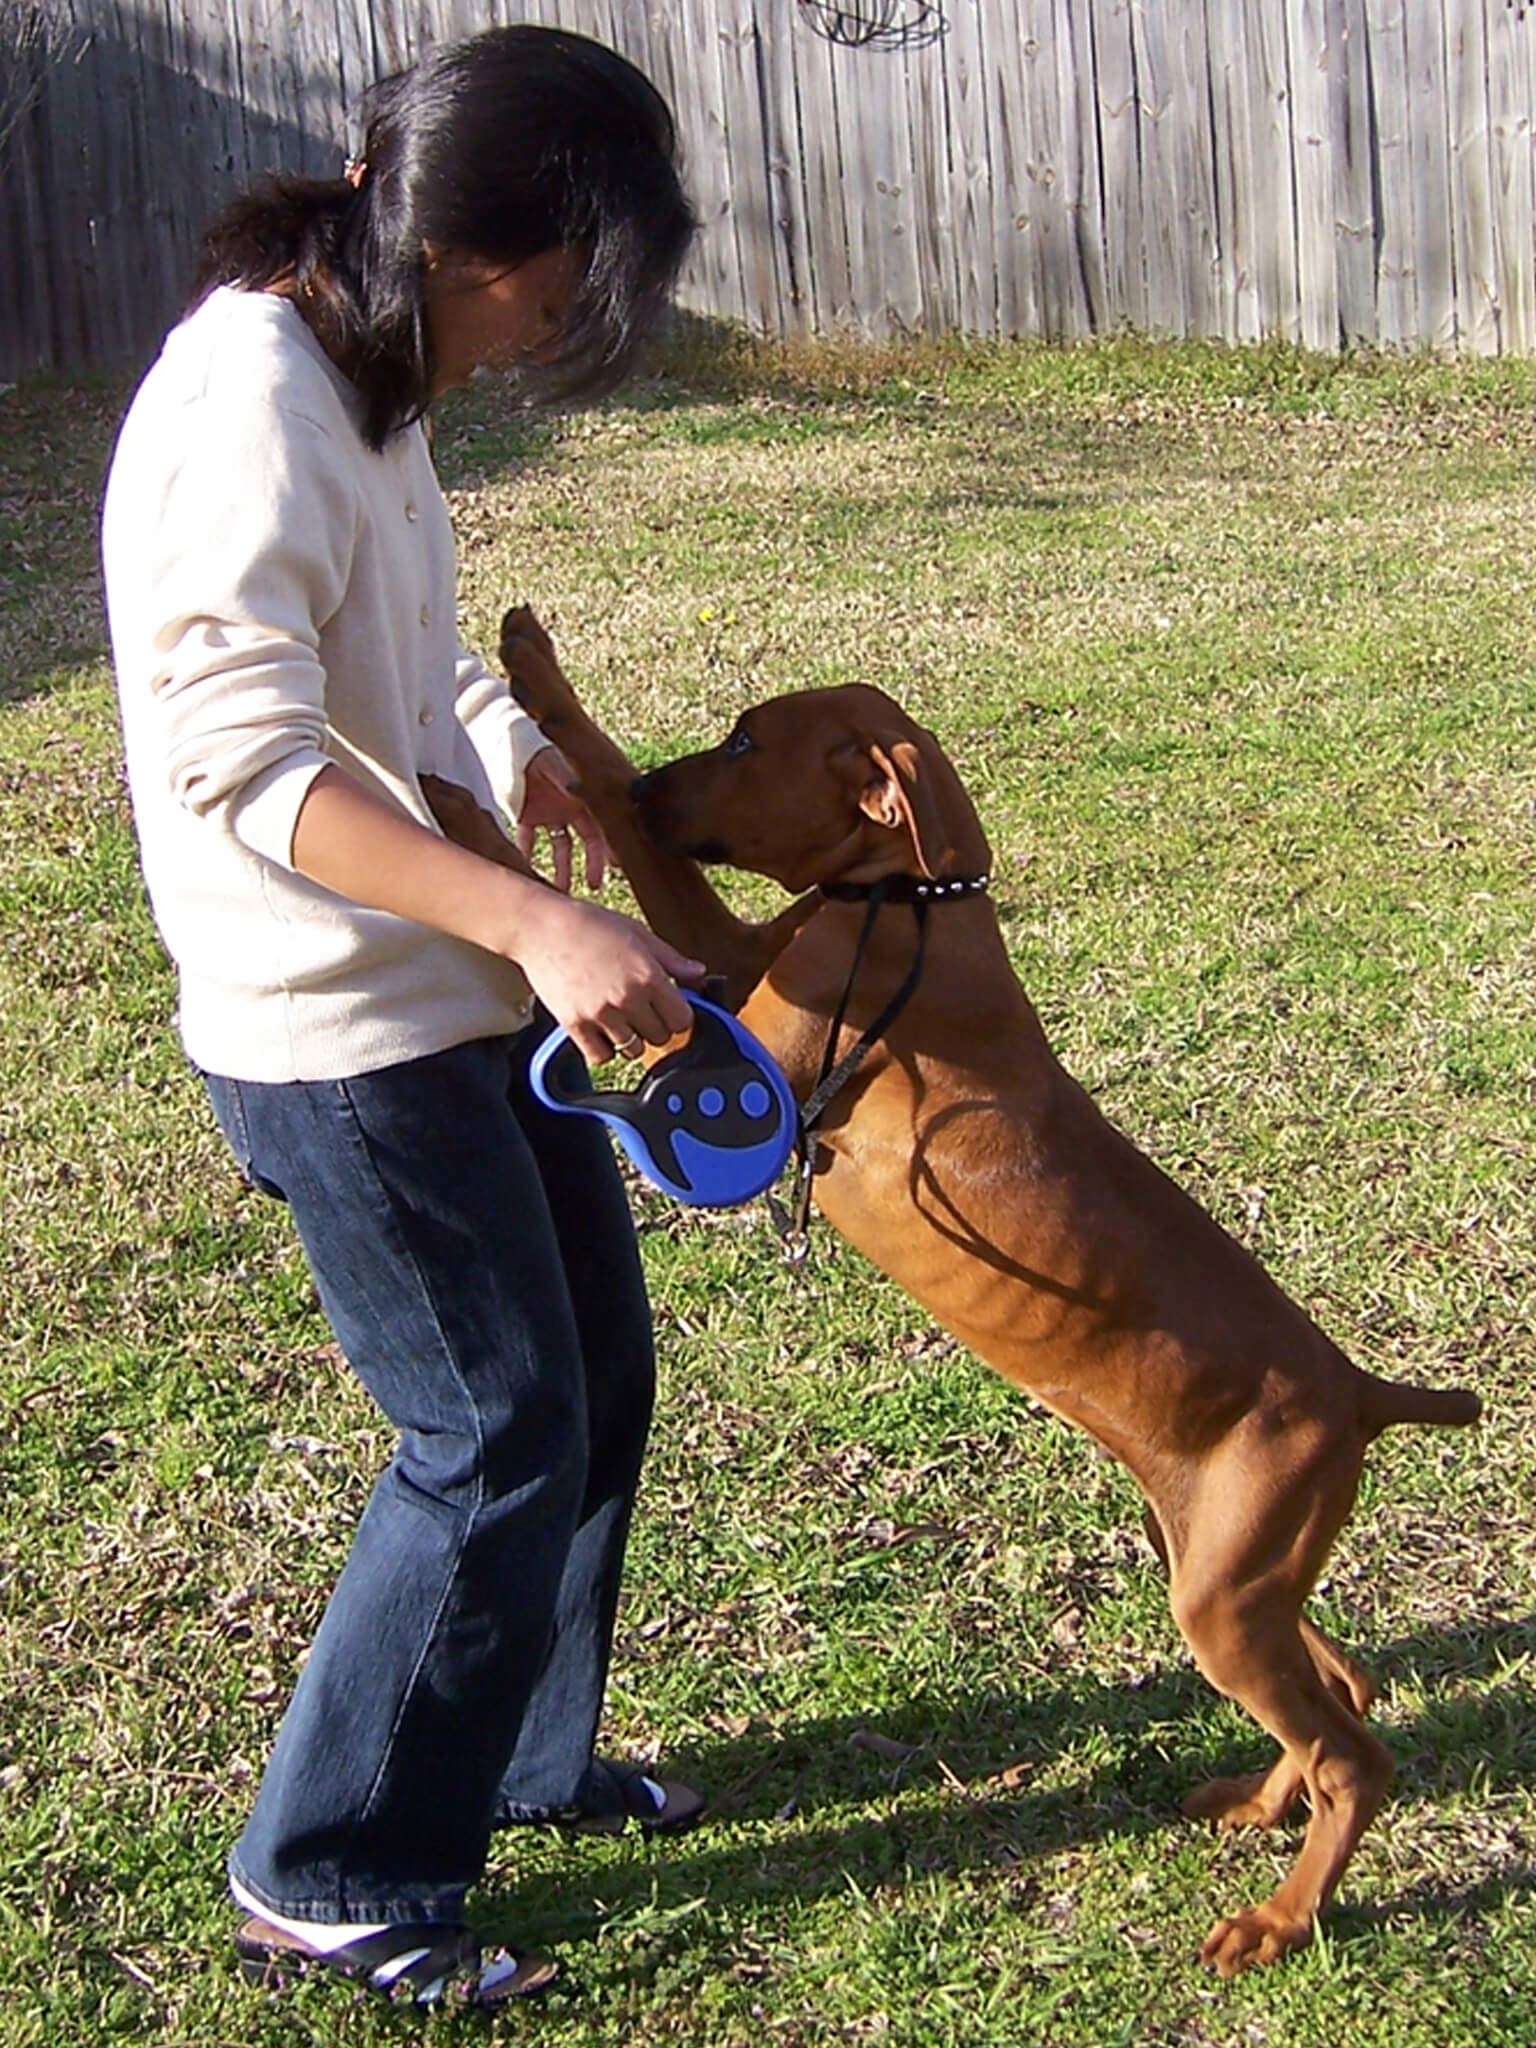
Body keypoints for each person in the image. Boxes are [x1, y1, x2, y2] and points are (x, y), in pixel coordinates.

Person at [102, 23, 708, 2011]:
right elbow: (248, 763)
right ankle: (331, 1864)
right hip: (336, 1032)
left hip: (443, 983)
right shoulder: (246, 400)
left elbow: (405, 658)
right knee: (489, 1427)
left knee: (593, 1376)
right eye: (564, 297)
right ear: (489, 250)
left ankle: (509, 1760)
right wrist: (535, 922)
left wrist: (510, 742)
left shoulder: (375, 376)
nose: (556, 337)